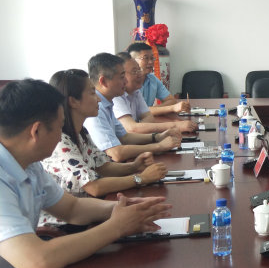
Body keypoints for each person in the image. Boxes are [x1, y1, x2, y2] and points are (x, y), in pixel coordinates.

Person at [0, 79, 171, 268]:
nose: (62, 135)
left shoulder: (28, 163)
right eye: (59, 127)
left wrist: (123, 210)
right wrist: (116, 227)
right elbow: (38, 261)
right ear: (36, 131)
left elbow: (72, 208)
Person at [42, 69, 167, 200]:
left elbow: (103, 166)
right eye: (92, 93)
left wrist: (134, 166)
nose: (98, 99)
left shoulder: (80, 132)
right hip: (76, 211)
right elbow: (94, 187)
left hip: (93, 205)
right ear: (73, 101)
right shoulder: (60, 141)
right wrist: (141, 178)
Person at [83, 53, 180, 162]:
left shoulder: (107, 103)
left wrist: (158, 137)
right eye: (121, 77)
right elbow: (115, 154)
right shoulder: (96, 109)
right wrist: (158, 146)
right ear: (103, 81)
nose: (125, 81)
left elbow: (125, 137)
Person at [112, 53, 197, 134]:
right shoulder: (115, 96)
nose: (140, 74)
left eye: (139, 70)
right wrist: (176, 125)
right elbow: (132, 129)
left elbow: (149, 117)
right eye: (134, 72)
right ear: (121, 75)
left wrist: (141, 127)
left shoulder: (135, 91)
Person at [126, 42, 189, 115]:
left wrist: (154, 110)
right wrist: (171, 108)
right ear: (132, 61)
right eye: (146, 58)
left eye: (152, 58)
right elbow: (138, 111)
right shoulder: (128, 82)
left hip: (146, 120)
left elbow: (171, 100)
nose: (150, 62)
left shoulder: (152, 78)